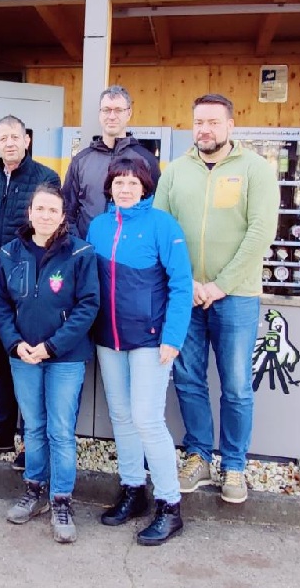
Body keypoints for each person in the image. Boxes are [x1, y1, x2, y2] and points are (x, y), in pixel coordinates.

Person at [153, 93, 279, 504]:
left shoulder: (255, 170)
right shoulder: (174, 172)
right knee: (188, 379)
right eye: (198, 122)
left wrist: (221, 284)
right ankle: (199, 455)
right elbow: (161, 229)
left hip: (236, 296)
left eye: (213, 122)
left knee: (237, 385)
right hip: (185, 296)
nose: (204, 129)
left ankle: (235, 465)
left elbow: (260, 233)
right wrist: (188, 283)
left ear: (230, 126)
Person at [87, 156, 193, 547]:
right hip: (109, 340)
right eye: (119, 182)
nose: (125, 189)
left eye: (133, 182)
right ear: (110, 188)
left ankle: (170, 505)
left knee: (147, 419)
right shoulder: (98, 226)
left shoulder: (162, 226)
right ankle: (133, 489)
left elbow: (182, 284)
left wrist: (173, 337)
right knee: (121, 416)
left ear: (146, 187)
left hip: (151, 340)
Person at [0, 184, 100, 544]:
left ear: (62, 216)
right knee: (34, 427)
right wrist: (15, 343)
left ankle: (62, 500)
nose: (45, 216)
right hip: (23, 356)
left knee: (60, 429)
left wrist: (52, 347)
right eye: (39, 209)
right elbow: (2, 306)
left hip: (65, 358)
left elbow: (88, 306)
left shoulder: (81, 252)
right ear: (29, 212)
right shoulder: (10, 252)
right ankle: (34, 488)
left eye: (52, 211)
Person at [0, 116, 61, 462]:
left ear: (27, 140)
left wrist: (7, 260)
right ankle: (4, 433)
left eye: (15, 137)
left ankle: (33, 441)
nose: (9, 142)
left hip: (31, 286)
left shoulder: (45, 179)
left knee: (33, 360)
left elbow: (47, 228)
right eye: (2, 137)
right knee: (2, 359)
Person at [63, 85, 161, 238]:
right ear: (99, 114)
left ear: (128, 114)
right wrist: (78, 244)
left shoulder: (146, 160)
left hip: (130, 251)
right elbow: (67, 209)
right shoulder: (81, 161)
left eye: (118, 110)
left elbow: (155, 209)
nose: (112, 116)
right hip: (89, 250)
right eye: (106, 110)